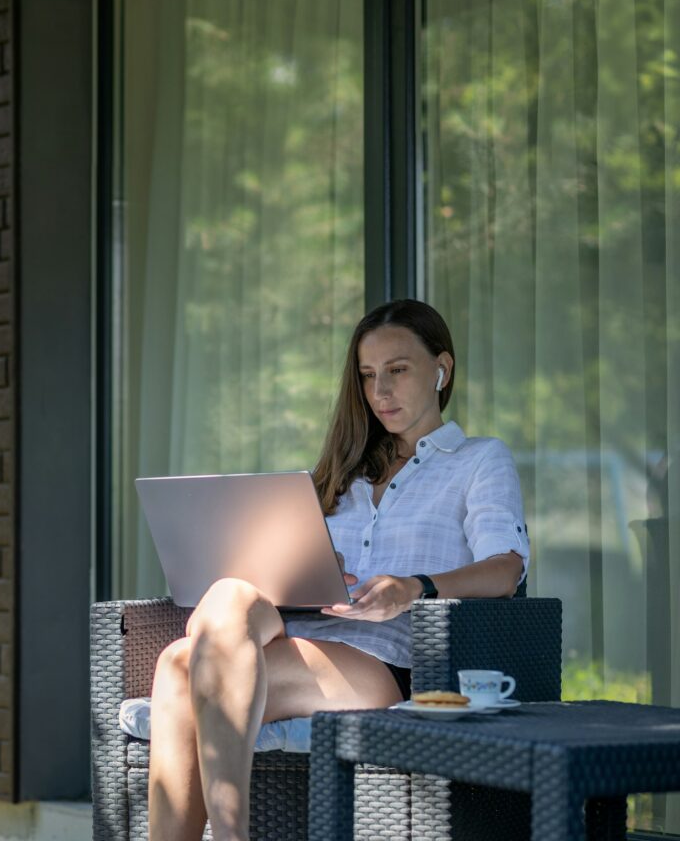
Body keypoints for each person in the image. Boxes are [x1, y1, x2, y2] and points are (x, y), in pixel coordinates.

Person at [147, 299, 529, 841]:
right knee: (229, 592)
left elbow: (505, 570)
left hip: (381, 661)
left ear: (442, 369)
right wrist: (309, 569)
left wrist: (413, 587)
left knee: (177, 667)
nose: (381, 392)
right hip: (295, 632)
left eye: (397, 370)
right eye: (369, 376)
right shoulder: (341, 474)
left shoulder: (479, 460)